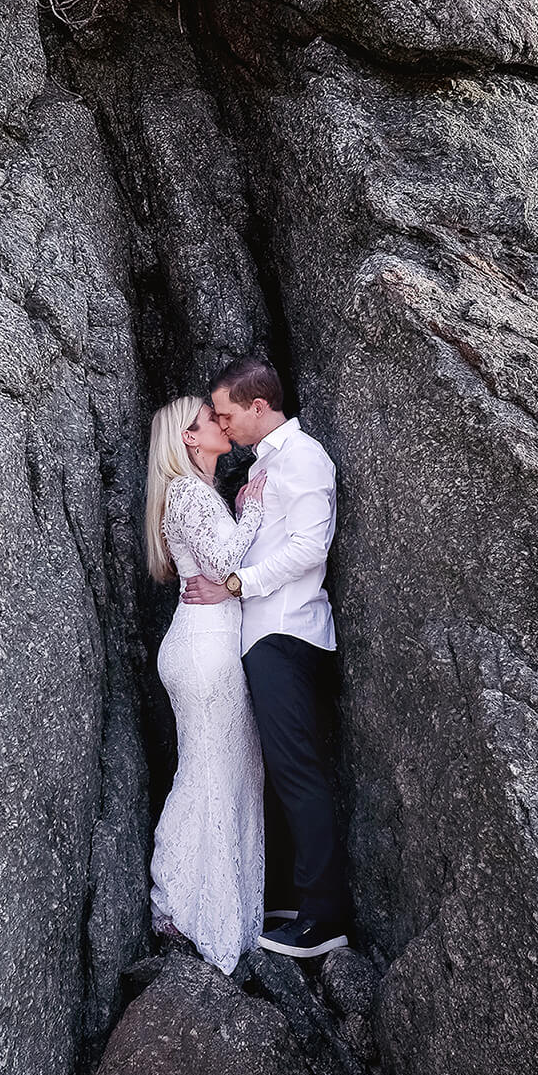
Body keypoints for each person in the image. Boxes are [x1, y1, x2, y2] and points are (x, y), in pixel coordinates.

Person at [182, 355, 348, 960]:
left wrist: (236, 584)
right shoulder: (267, 465)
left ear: (259, 407)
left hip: (286, 632)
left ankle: (323, 918)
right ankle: (290, 896)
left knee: (297, 771)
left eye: (227, 414)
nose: (222, 426)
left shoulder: (303, 458)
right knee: (280, 770)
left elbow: (310, 548)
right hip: (264, 634)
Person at [144, 394, 267, 974]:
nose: (222, 423)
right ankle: (181, 904)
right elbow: (223, 560)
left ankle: (189, 903)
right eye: (208, 421)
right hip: (205, 649)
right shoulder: (191, 492)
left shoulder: (194, 493)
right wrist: (256, 511)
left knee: (220, 769)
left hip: (203, 640)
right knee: (212, 771)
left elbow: (218, 569)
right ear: (189, 440)